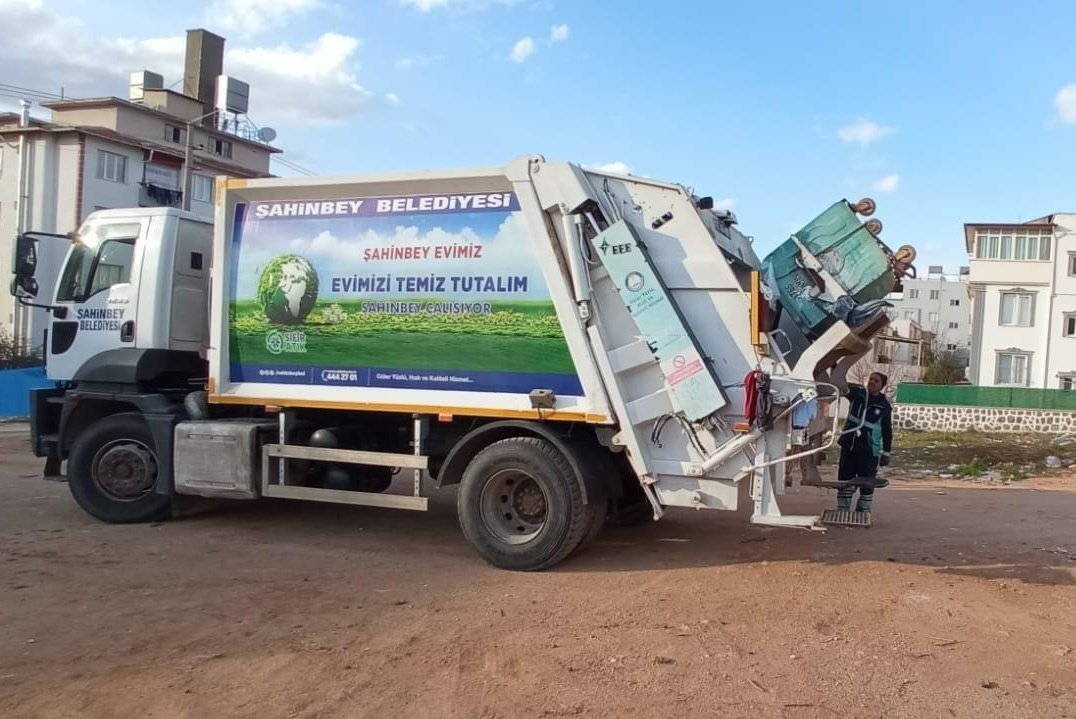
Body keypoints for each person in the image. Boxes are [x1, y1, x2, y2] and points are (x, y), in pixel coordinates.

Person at [836, 372, 893, 514]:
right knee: (844, 480)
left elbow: (887, 431)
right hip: (849, 445)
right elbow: (841, 385)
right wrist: (836, 367)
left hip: (868, 450)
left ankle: (863, 512)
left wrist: (886, 452)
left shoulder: (884, 405)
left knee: (867, 483)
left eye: (876, 381)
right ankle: (843, 511)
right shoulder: (857, 395)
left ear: (882, 386)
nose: (872, 382)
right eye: (871, 379)